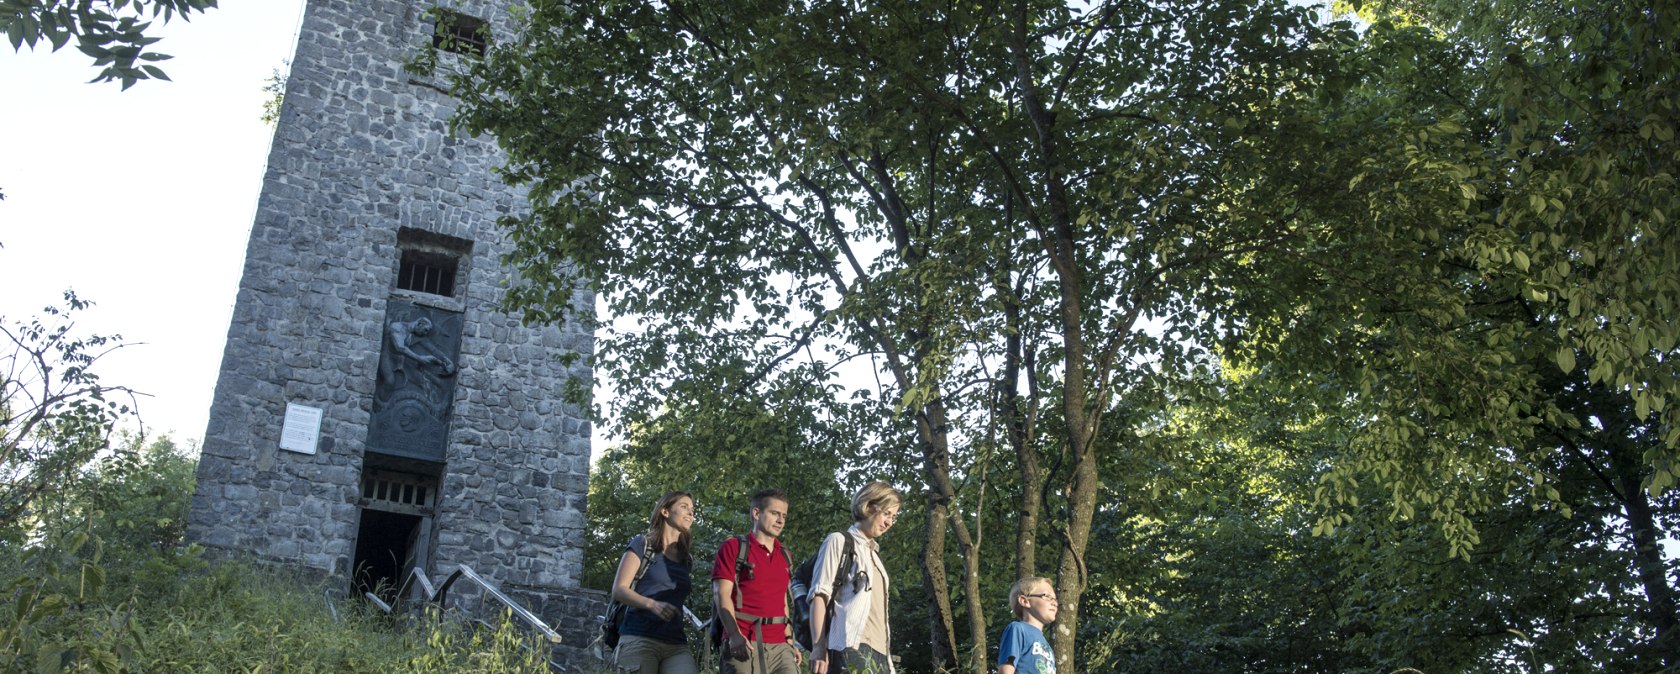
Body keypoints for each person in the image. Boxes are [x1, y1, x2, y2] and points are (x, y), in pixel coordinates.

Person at [809, 481, 902, 674]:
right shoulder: (839, 541)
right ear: (868, 506)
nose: (889, 523)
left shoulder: (875, 556)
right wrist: (818, 648)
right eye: (886, 514)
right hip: (849, 647)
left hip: (881, 655)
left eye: (893, 517)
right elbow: (820, 595)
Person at [713, 489, 803, 674]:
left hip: (780, 646)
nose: (780, 520)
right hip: (744, 641)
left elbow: (782, 601)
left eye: (784, 515)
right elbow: (721, 594)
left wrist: (789, 641)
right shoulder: (734, 547)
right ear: (756, 513)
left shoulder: (785, 555)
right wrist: (734, 635)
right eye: (774, 513)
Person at [613, 491, 699, 674]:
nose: (691, 513)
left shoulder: (686, 559)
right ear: (665, 511)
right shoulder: (642, 545)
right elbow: (619, 590)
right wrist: (651, 604)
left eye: (692, 509)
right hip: (639, 637)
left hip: (676, 643)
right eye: (684, 507)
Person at [997, 577, 1058, 674]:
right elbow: (1006, 670)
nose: (1054, 603)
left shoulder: (1046, 646)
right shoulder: (1018, 629)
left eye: (1055, 599)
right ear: (1025, 601)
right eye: (1047, 596)